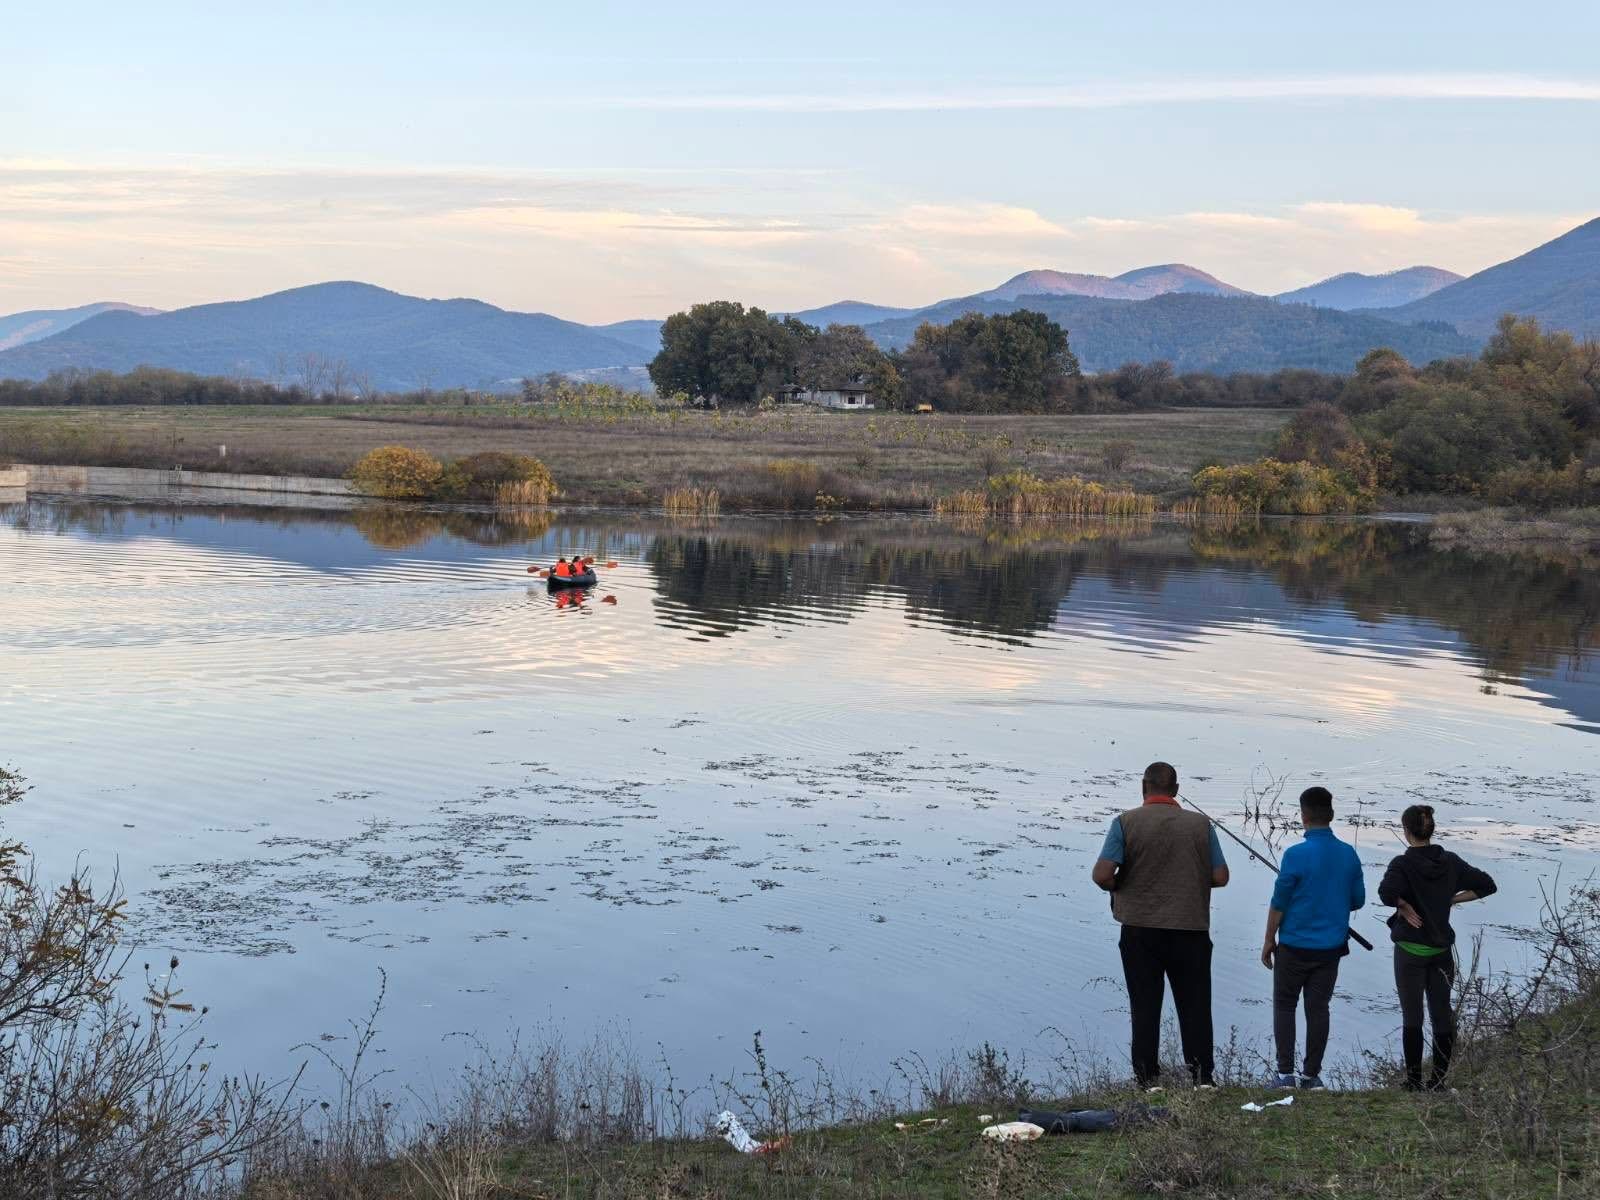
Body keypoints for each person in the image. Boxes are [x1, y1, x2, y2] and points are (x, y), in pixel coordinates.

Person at [1092, 762, 1228, 1088]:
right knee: (1195, 1006)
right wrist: (1190, 879)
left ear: (1144, 787)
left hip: (1140, 930)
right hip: (1191, 929)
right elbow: (1221, 876)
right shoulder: (1201, 824)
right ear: (1176, 790)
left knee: (1144, 1006)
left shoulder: (1125, 822)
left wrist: (1121, 885)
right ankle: (1202, 1079)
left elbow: (1101, 875)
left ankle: (1148, 1080)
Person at [1377, 804, 1497, 1091]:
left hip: (1410, 952)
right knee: (1442, 1013)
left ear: (1406, 831)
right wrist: (1452, 899)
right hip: (1441, 951)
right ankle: (1439, 1082)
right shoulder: (1450, 862)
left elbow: (1386, 893)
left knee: (1412, 1016)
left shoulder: (1402, 864)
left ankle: (1413, 1082)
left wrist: (1403, 905)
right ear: (1431, 830)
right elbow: (1487, 885)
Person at [1260, 786, 1365, 1090]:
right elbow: (1357, 900)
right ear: (1331, 814)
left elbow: (1279, 903)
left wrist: (1269, 939)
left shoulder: (1295, 855)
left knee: (1285, 1005)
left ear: (1303, 816)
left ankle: (1284, 1075)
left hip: (1293, 946)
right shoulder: (1348, 854)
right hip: (1330, 949)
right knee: (1318, 1008)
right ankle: (1311, 1076)